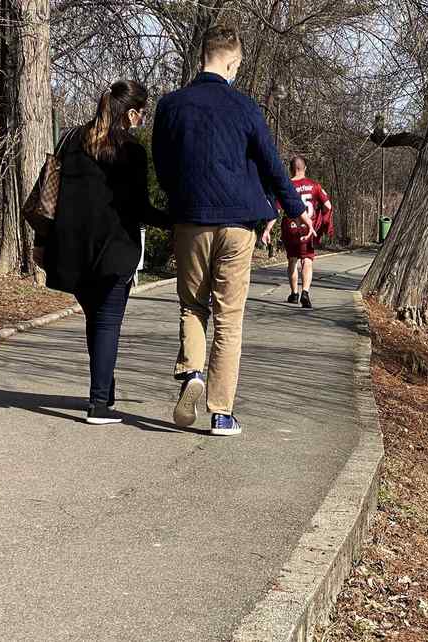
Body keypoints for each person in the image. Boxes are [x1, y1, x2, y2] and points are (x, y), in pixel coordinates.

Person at [152, 26, 311, 436]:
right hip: (238, 224)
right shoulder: (245, 108)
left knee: (192, 305)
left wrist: (181, 199)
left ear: (202, 55)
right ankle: (221, 412)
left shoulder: (171, 106)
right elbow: (272, 165)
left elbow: (163, 166)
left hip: (191, 220)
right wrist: (294, 210)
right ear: (233, 61)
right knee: (229, 317)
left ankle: (191, 374)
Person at [36, 80, 169, 425]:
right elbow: (141, 208)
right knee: (107, 323)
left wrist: (42, 242)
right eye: (142, 114)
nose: (143, 120)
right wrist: (175, 222)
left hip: (72, 251)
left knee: (97, 321)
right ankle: (98, 404)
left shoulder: (70, 139)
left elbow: (52, 198)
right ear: (132, 113)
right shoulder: (131, 152)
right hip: (114, 251)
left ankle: (104, 390)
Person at [266, 155, 333, 309]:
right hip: (308, 229)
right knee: (307, 261)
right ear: (305, 168)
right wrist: (321, 223)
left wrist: (268, 229)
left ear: (290, 169)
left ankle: (294, 293)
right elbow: (328, 205)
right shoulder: (314, 186)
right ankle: (305, 292)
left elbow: (276, 210)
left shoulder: (286, 186)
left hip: (290, 229)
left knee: (292, 261)